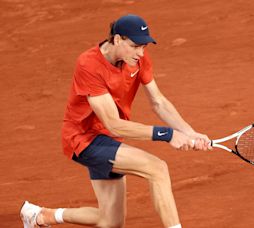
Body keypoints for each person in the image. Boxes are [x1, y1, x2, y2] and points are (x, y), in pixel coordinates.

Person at [20, 14, 211, 228]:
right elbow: (113, 123)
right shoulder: (89, 64)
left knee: (110, 221)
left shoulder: (138, 59)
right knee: (157, 168)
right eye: (135, 46)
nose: (140, 53)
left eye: (144, 46)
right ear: (117, 39)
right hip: (84, 139)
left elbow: (158, 102)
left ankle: (41, 216)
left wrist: (189, 132)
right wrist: (167, 135)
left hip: (109, 140)